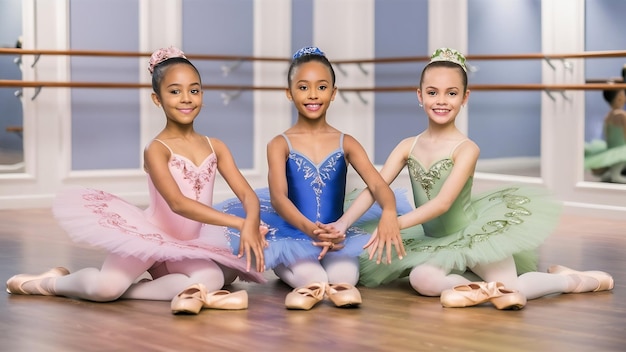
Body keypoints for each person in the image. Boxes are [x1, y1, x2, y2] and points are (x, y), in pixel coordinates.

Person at [325, 48, 614, 310]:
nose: (441, 101)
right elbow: (375, 188)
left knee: (513, 290)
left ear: (465, 97)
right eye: (433, 92)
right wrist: (342, 223)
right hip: (434, 241)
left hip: (474, 235)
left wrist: (394, 223)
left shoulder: (466, 148)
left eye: (451, 93)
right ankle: (482, 288)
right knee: (422, 280)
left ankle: (573, 280)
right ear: (419, 95)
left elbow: (442, 203)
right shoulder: (406, 146)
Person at [5, 47, 268, 315]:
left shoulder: (216, 146)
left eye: (194, 90)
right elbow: (178, 204)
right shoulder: (157, 149)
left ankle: (131, 291)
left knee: (212, 278)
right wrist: (240, 223)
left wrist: (253, 222)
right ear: (157, 99)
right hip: (149, 236)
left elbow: (248, 196)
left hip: (188, 243)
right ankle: (52, 282)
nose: (186, 99)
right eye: (175, 91)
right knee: (105, 289)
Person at [218, 46, 405, 310]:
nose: (313, 95)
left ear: (333, 92)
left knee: (345, 279)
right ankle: (291, 268)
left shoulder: (346, 142)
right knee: (314, 279)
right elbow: (279, 198)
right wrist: (310, 229)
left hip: (335, 233)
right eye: (303, 87)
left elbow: (377, 184)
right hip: (294, 232)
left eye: (321, 87)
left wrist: (389, 210)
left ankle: (316, 278)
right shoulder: (279, 144)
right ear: (289, 93)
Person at [584, 87, 626, 183]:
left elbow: (607, 135)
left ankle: (612, 174)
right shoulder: (622, 115)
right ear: (619, 98)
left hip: (611, 148)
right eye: (623, 95)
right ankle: (615, 175)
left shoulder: (607, 116)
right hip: (621, 150)